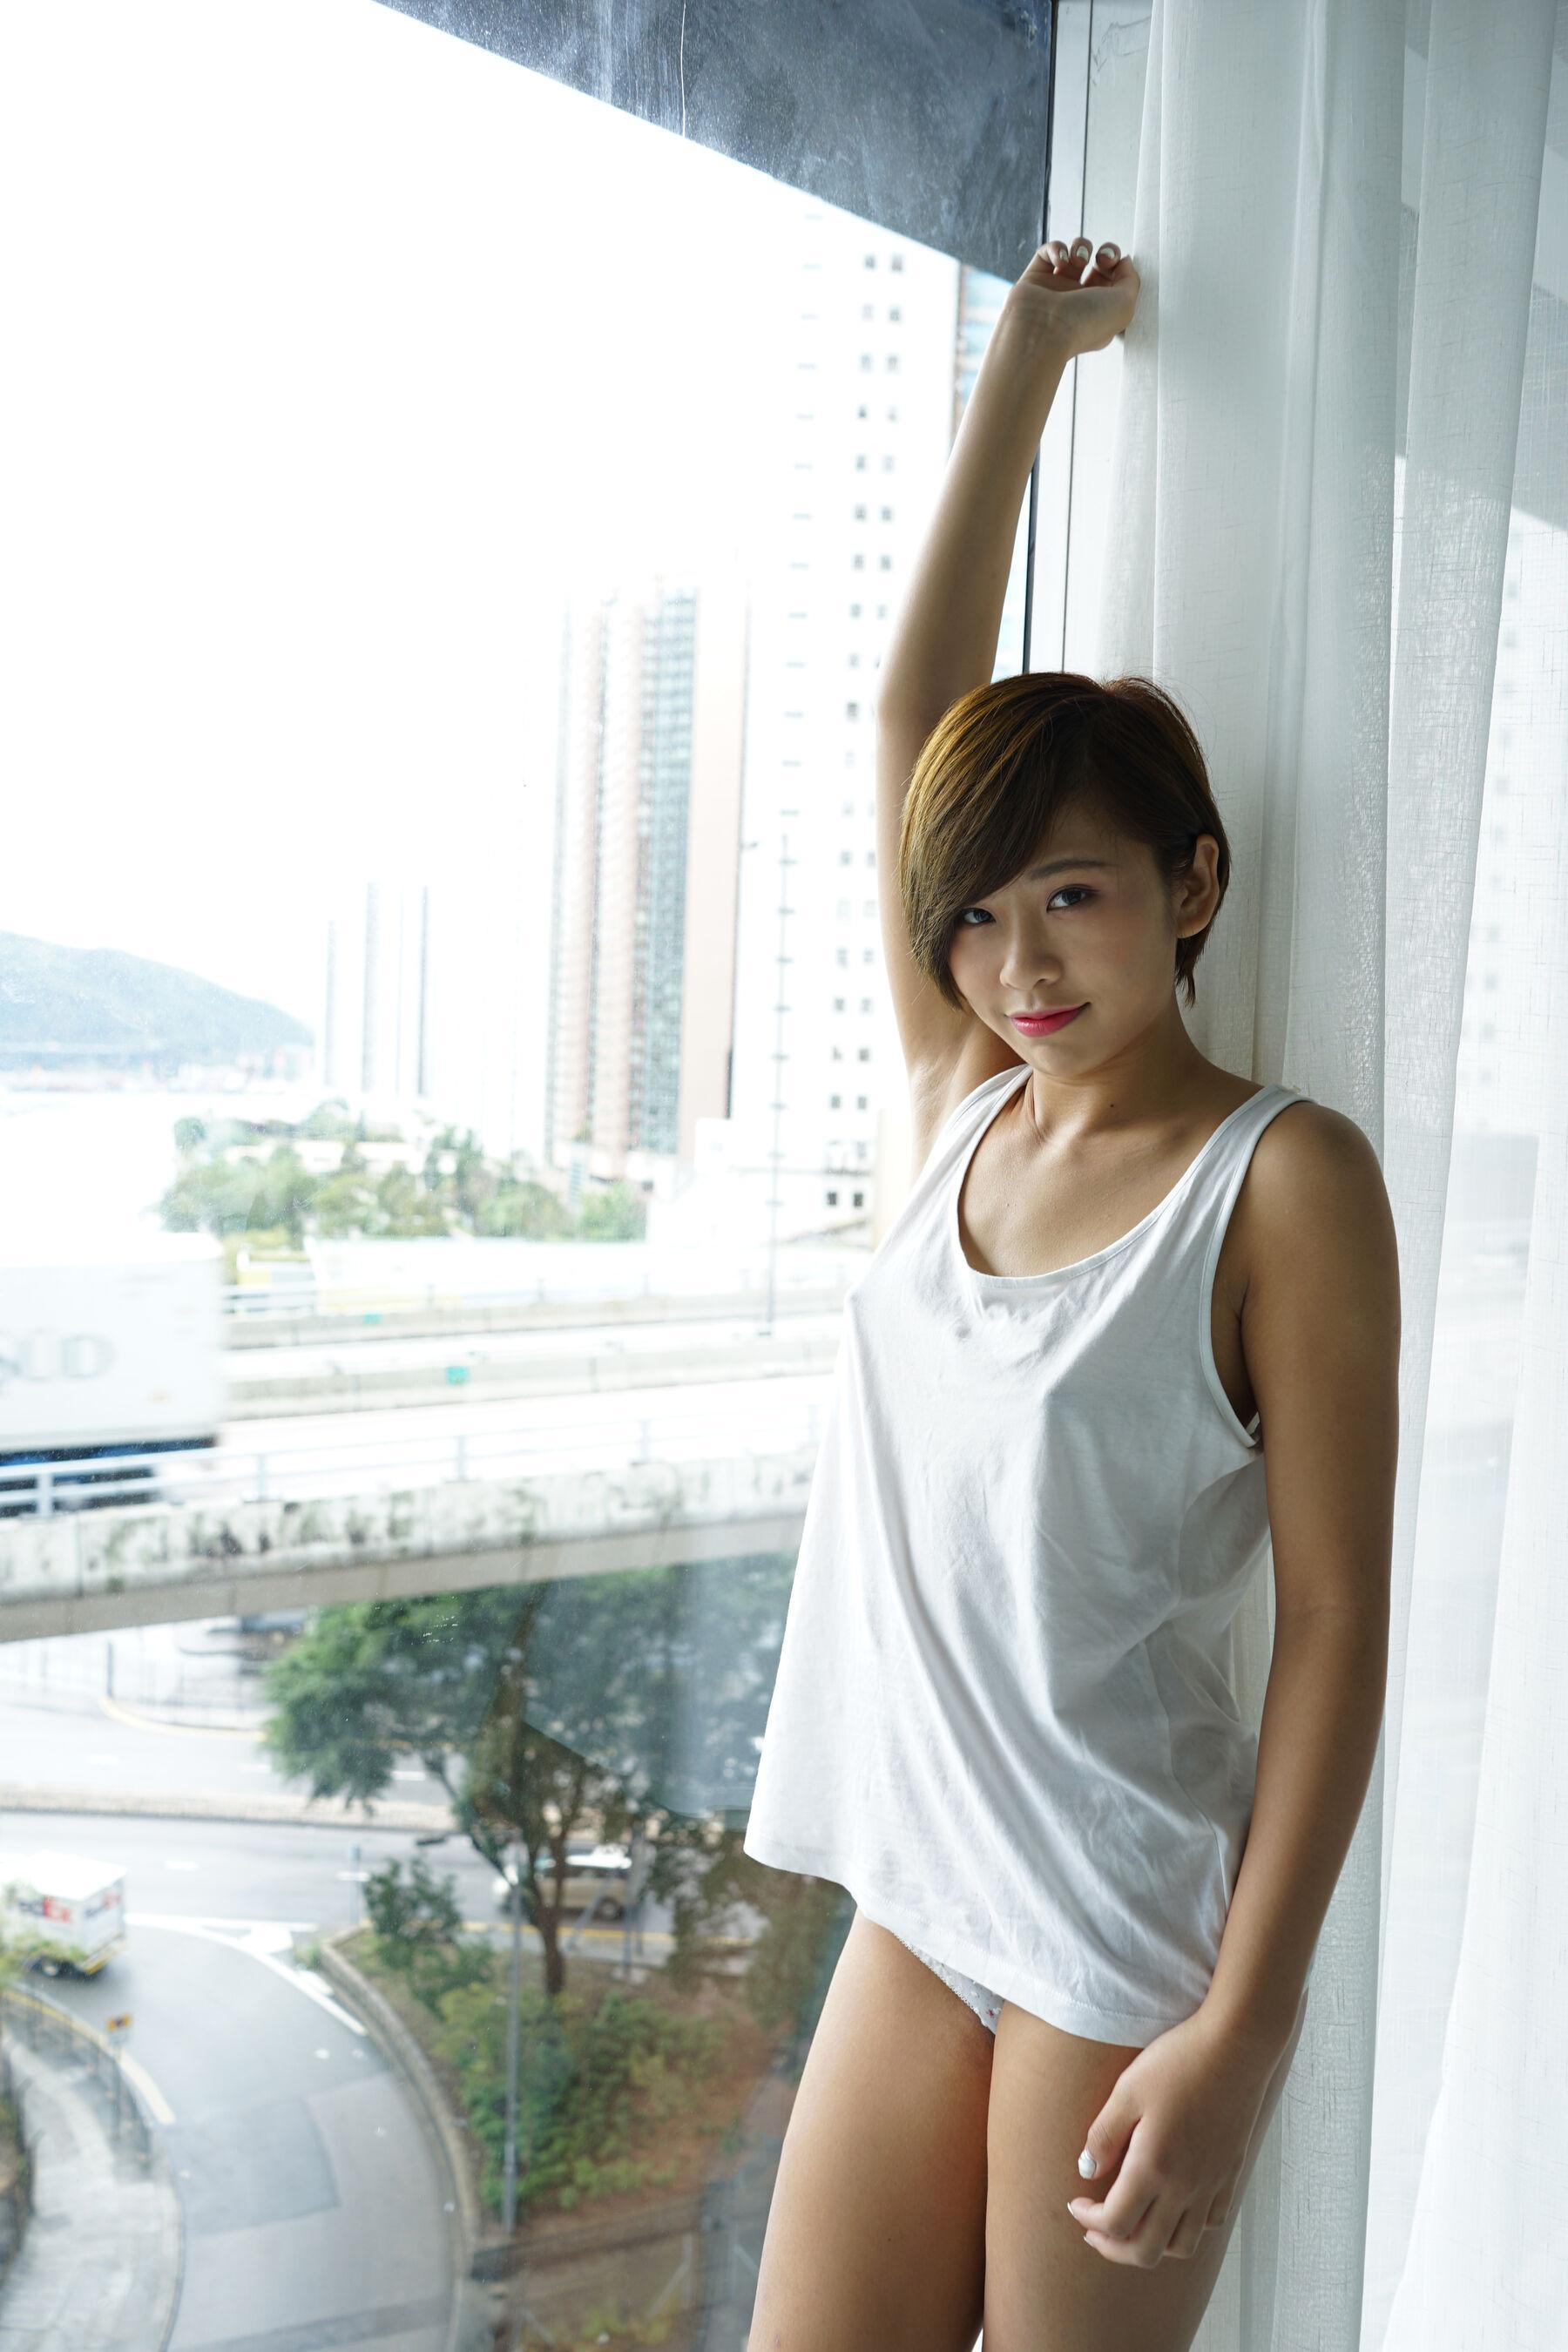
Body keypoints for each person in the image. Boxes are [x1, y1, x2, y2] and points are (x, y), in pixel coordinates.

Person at [740, 232, 1400, 2350]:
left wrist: (1244, 2032)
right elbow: (909, 709)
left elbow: (1336, 1625)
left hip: (1121, 1933)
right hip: (918, 1903)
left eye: (1077, 897)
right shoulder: (958, 1102)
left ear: (1191, 889)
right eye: (978, 917)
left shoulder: (1280, 1182)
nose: (1019, 963)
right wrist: (1023, 358)